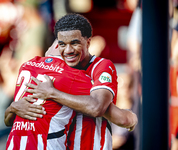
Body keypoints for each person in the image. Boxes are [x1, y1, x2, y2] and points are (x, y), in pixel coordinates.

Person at [5, 13, 138, 149]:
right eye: (62, 44)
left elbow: (97, 107)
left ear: (88, 43)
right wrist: (13, 108)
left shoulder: (31, 66)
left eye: (74, 43)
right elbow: (10, 118)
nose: (68, 50)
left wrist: (51, 93)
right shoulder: (65, 76)